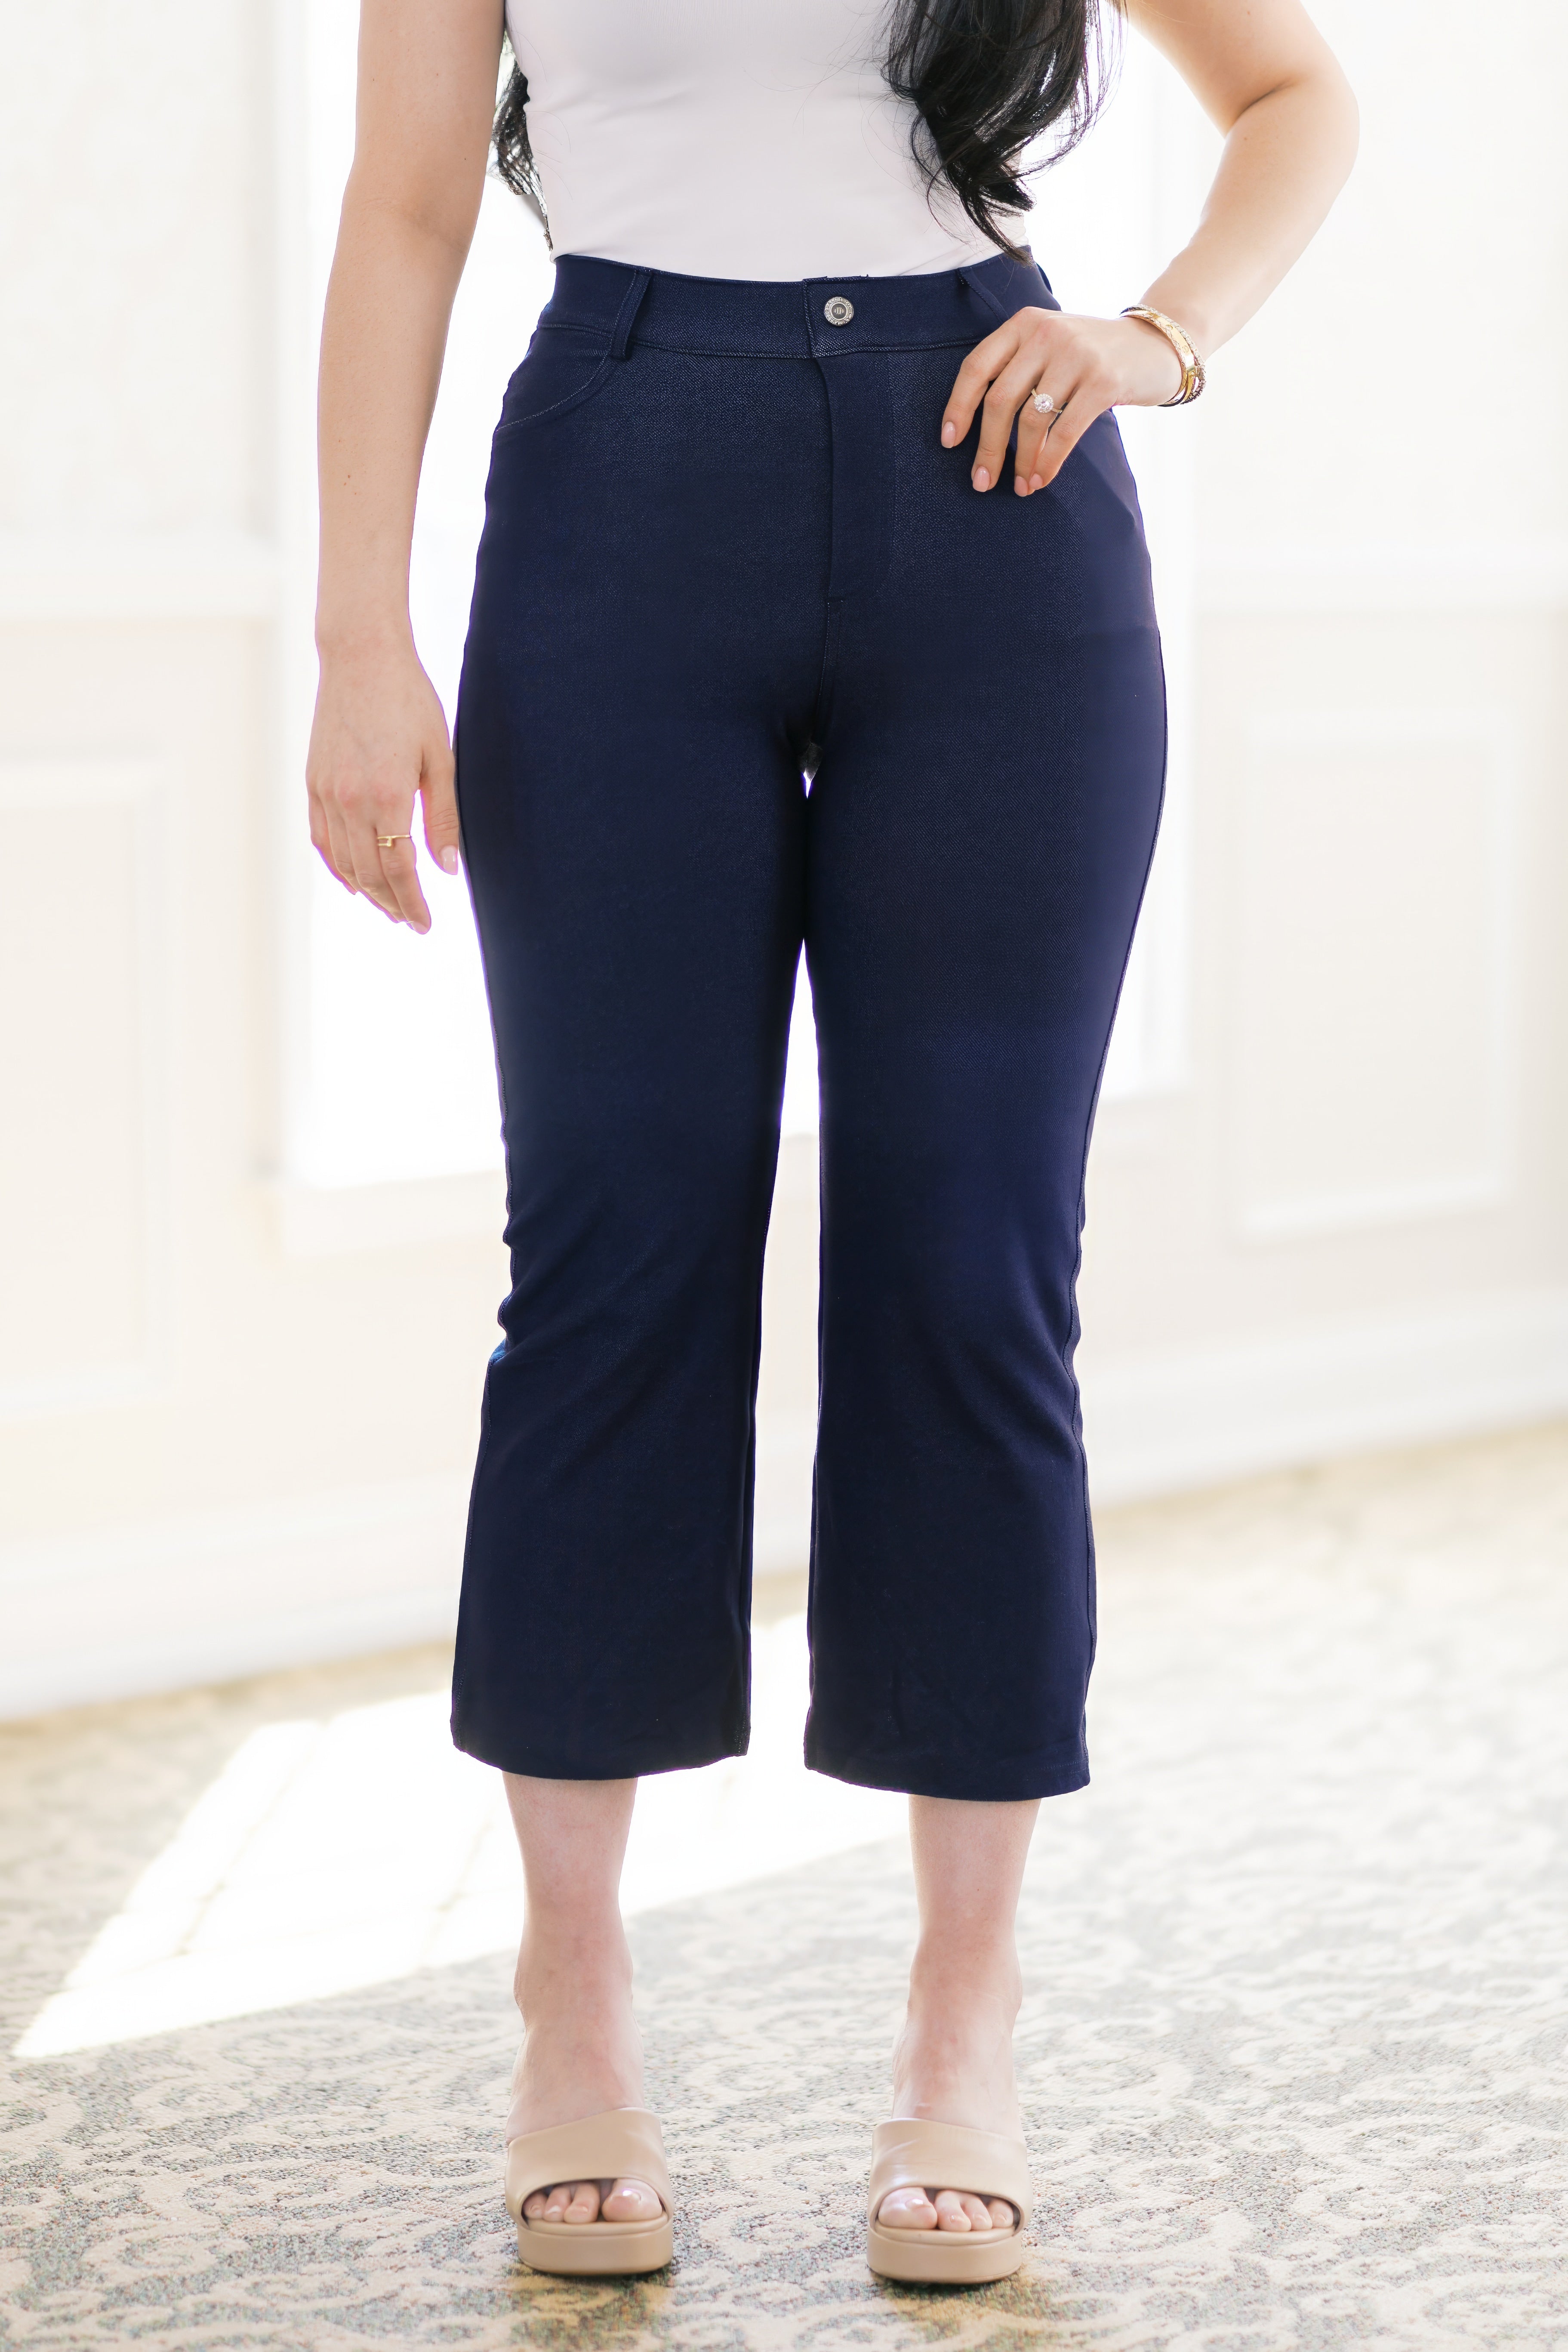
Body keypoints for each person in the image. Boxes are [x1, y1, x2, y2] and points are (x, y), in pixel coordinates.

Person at [308, 0, 1356, 2287]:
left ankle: (963, 2018)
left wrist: (1163, 337)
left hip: (999, 499)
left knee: (971, 1263)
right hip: (617, 489)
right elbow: (401, 213)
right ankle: (570, 1994)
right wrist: (357, 642)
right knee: (614, 1246)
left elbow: (1301, 94)